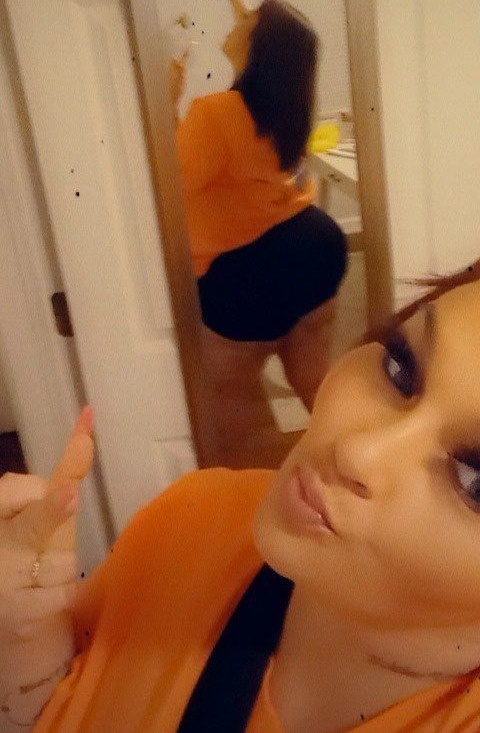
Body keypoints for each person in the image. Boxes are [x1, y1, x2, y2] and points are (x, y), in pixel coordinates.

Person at [3, 258, 480, 731]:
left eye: (474, 480)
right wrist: (26, 649)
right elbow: (60, 704)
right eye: (400, 367)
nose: (357, 452)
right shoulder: (196, 515)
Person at [172, 0, 348, 464]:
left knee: (241, 424)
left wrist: (164, 105)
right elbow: (276, 39)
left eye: (245, 21)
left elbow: (167, 183)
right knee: (317, 383)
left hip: (246, 275)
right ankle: (349, 460)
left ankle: (288, 487)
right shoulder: (288, 112)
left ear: (257, 49)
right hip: (317, 246)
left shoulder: (213, 114)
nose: (237, 21)